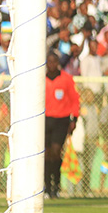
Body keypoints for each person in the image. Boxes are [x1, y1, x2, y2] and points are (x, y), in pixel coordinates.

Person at [45, 51, 80, 198]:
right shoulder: (41, 79)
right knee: (46, 154)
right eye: (49, 61)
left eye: (54, 61)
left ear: (58, 62)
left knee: (56, 151)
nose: (52, 64)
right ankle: (47, 187)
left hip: (61, 120)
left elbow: (74, 100)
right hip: (45, 120)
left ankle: (56, 186)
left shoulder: (66, 79)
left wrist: (74, 119)